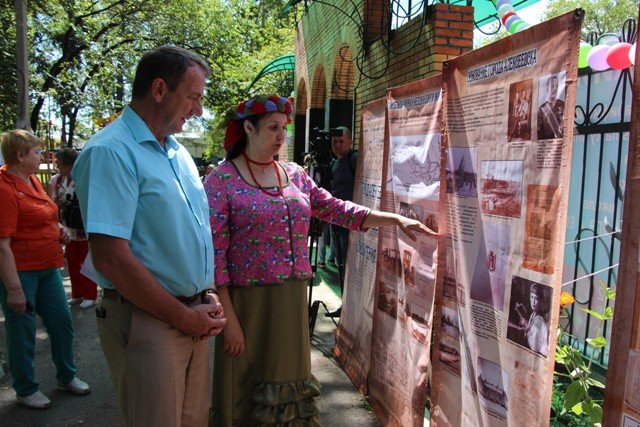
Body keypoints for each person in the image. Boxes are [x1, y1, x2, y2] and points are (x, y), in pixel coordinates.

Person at [205, 94, 437, 426]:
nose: (281, 136)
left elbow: (337, 210)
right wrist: (229, 321)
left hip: (290, 300)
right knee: (246, 386)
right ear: (248, 128)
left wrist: (395, 220)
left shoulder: (295, 175)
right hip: (247, 305)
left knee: (290, 382)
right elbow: (215, 257)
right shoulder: (222, 180)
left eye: (283, 128)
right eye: (272, 128)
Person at [72, 46, 226, 427]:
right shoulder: (111, 151)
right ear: (159, 89)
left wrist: (204, 293)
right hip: (150, 318)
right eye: (193, 97)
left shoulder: (177, 152)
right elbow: (110, 258)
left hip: (191, 313)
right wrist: (182, 316)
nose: (199, 110)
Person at [0, 130, 90, 410]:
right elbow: (3, 245)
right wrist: (14, 290)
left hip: (48, 268)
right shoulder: (4, 189)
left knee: (61, 323)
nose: (42, 156)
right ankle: (25, 388)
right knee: (23, 332)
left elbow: (45, 216)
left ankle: (67, 376)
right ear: (20, 155)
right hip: (22, 273)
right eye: (37, 152)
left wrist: (59, 229)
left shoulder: (31, 182)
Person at [48, 148, 98, 309]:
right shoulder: (58, 180)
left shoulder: (82, 178)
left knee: (85, 261)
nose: (58, 166)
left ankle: (90, 293)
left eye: (60, 163)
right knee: (72, 261)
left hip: (82, 226)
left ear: (69, 164)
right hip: (68, 226)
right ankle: (77, 293)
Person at [329, 126, 357, 269]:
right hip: (336, 218)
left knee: (348, 257)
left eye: (341, 141)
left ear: (350, 142)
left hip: (350, 219)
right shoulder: (334, 163)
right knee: (340, 256)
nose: (337, 145)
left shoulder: (354, 159)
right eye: (334, 142)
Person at [515, 282, 549, 357]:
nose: (533, 302)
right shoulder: (533, 315)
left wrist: (527, 327)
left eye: (536, 298)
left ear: (540, 301)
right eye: (532, 297)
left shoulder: (539, 320)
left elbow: (534, 347)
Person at [537, 75, 564, 140]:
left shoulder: (563, 104)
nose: (555, 88)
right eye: (552, 86)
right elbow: (539, 133)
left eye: (556, 86)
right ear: (547, 88)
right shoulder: (542, 109)